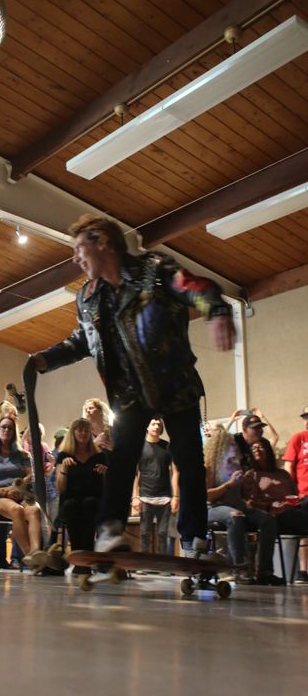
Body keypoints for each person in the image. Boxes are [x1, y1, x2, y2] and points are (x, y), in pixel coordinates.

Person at [32, 214, 235, 558]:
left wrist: (217, 311)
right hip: (128, 392)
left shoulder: (155, 271)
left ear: (103, 243)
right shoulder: (88, 298)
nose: (75, 259)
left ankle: (193, 540)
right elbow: (81, 341)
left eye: (80, 249)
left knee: (189, 461)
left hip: (175, 383)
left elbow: (194, 287)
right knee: (122, 457)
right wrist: (45, 359)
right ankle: (110, 531)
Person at [204, 426, 282, 585]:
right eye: (230, 445)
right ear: (221, 447)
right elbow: (207, 496)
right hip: (215, 507)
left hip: (237, 505)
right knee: (235, 515)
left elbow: (242, 494)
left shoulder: (236, 465)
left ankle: (265, 571)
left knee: (268, 520)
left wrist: (246, 484)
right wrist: (229, 484)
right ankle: (239, 568)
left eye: (234, 445)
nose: (234, 448)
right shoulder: (210, 467)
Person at [0, 415, 42, 565]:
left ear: (14, 432)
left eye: (10, 428)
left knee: (34, 509)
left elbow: (31, 476)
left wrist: (15, 488)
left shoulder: (22, 454)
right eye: (3, 427)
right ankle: (31, 558)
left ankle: (36, 553)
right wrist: (1, 491)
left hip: (20, 494)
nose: (6, 430)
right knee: (16, 510)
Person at [245, 436, 308, 583]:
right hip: (274, 515)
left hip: (293, 510)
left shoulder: (282, 474)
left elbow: (294, 495)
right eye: (254, 448)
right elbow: (250, 503)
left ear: (268, 450)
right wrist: (273, 505)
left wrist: (295, 501)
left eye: (261, 447)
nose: (257, 450)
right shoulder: (252, 475)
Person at [55, 418, 106, 575]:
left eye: (86, 430)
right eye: (79, 430)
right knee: (71, 506)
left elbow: (105, 487)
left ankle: (86, 557)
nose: (83, 433)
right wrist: (64, 469)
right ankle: (79, 557)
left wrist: (105, 474)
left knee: (90, 504)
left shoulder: (99, 456)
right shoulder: (64, 455)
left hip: (92, 499)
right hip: (71, 501)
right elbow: (60, 489)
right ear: (73, 433)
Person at [132, 417, 179, 555]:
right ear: (147, 427)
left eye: (159, 424)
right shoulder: (139, 447)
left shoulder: (168, 447)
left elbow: (175, 472)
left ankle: (163, 563)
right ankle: (144, 563)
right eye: (153, 424)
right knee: (144, 534)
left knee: (163, 534)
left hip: (165, 498)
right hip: (145, 497)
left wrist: (176, 496)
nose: (157, 427)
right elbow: (135, 474)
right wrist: (135, 497)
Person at [283, 407, 308, 582]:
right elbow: (288, 467)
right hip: (304, 493)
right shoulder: (298, 438)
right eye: (305, 417)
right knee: (305, 530)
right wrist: (291, 492)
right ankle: (304, 570)